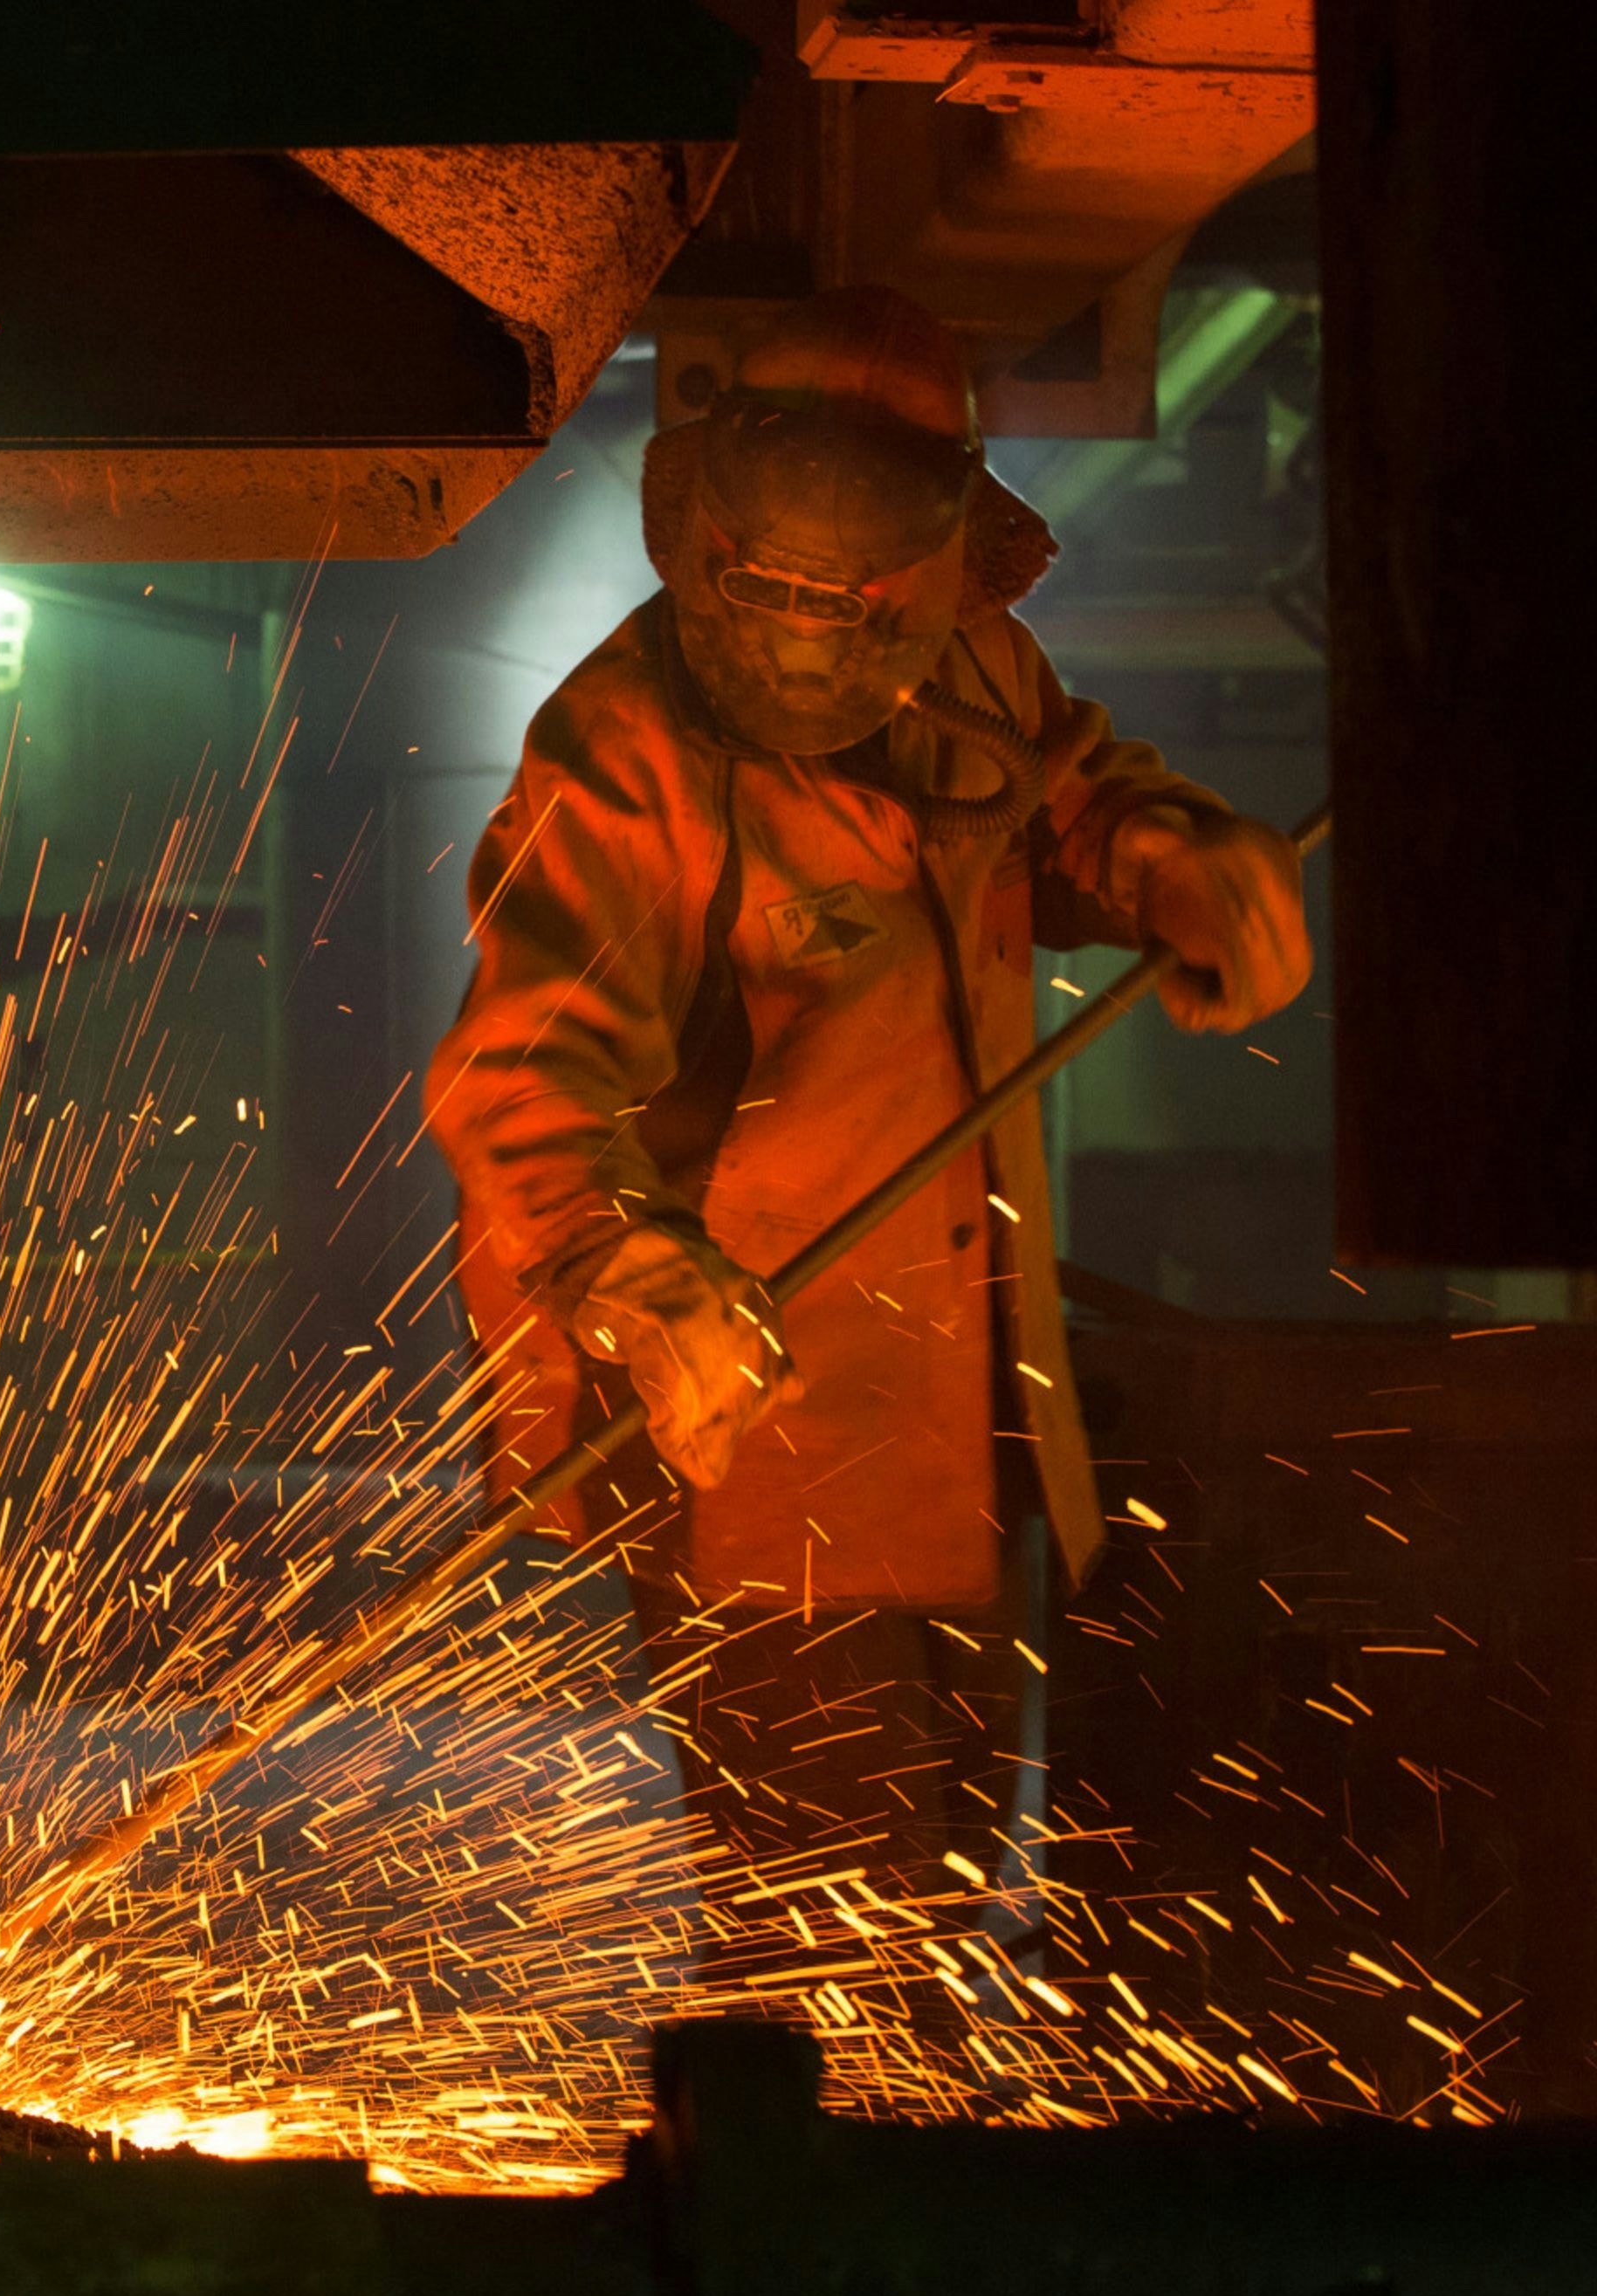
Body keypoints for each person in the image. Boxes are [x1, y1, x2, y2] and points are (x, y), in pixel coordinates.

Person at [423, 287, 1311, 1956]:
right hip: (754, 1436)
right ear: (703, 532)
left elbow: (1064, 798)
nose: (812, 645)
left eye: (859, 606)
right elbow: (521, 1084)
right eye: (772, 595)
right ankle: (799, 2180)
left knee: (954, 1875)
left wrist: (1168, 856)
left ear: (940, 562)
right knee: (824, 1920)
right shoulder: (624, 754)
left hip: (958, 1402)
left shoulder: (975, 656)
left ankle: (910, 2170)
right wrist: (628, 1261)